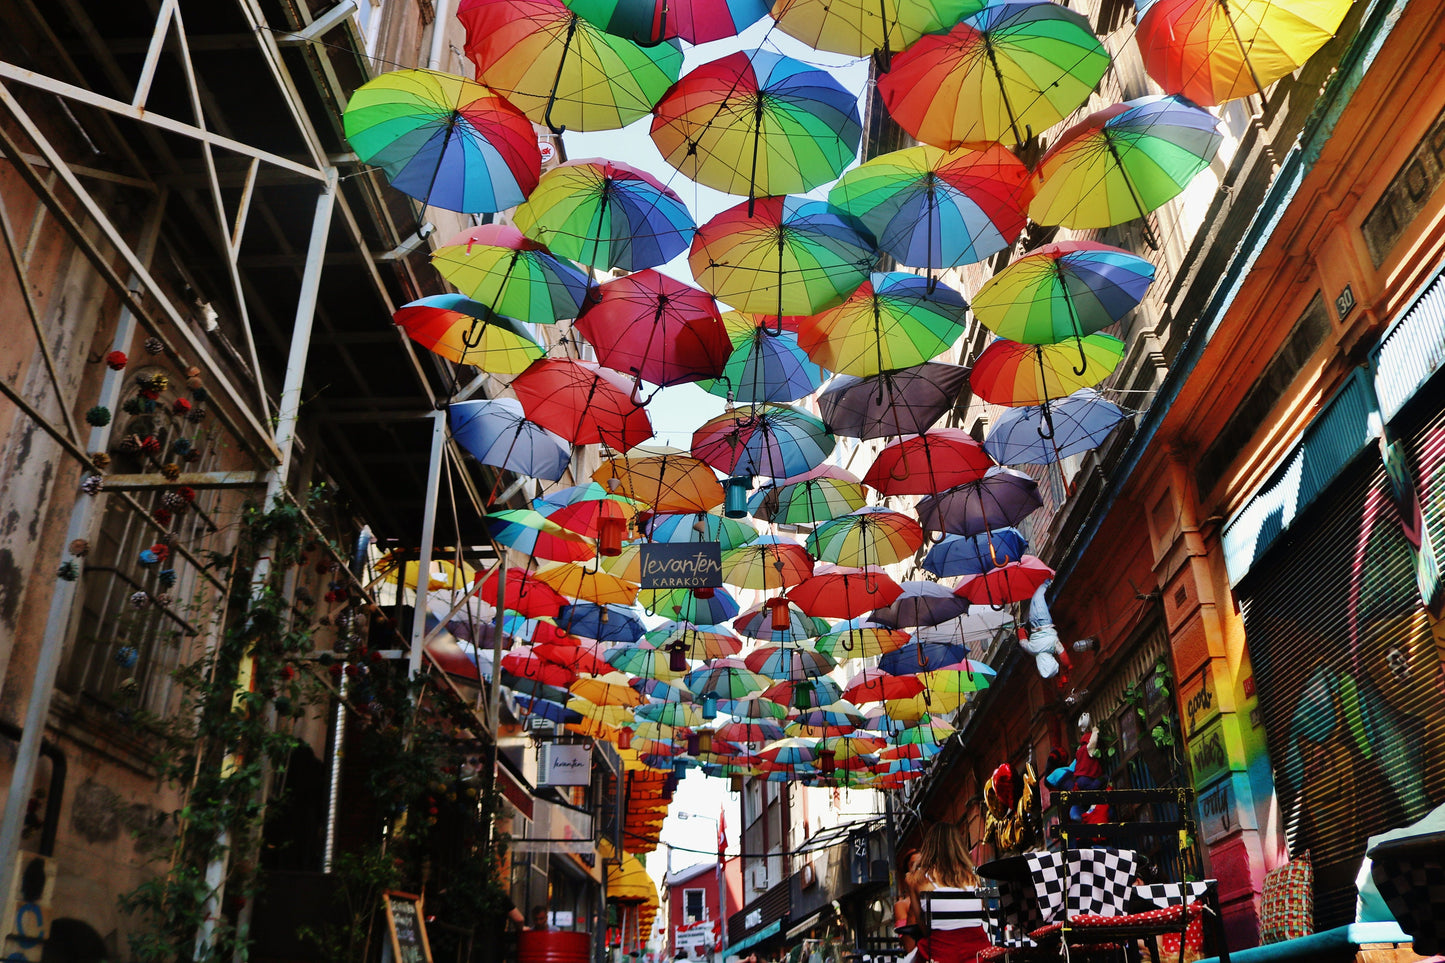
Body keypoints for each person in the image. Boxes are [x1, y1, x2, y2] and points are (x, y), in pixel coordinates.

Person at [906, 823, 992, 962]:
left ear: (928, 847)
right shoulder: (973, 877)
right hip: (978, 954)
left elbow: (924, 928)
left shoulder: (916, 879)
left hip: (940, 955)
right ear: (958, 846)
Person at [893, 847, 923, 953]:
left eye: (922, 864)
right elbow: (908, 945)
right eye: (914, 865)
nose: (919, 869)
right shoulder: (902, 905)